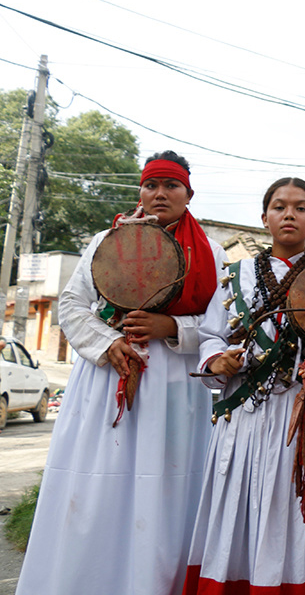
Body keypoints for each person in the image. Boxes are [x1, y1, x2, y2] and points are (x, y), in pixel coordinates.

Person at [17, 151, 225, 595]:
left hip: (174, 389)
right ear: (140, 191)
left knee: (167, 489)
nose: (160, 193)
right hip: (106, 379)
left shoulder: (212, 251)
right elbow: (71, 305)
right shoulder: (105, 241)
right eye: (152, 185)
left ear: (189, 193)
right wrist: (108, 343)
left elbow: (219, 325)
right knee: (96, 487)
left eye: (171, 185)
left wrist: (172, 327)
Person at [185, 178, 305, 594]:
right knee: (240, 515)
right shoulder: (236, 275)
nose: (290, 214)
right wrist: (218, 359)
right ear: (264, 217)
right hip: (247, 419)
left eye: (301, 208)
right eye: (280, 206)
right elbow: (212, 334)